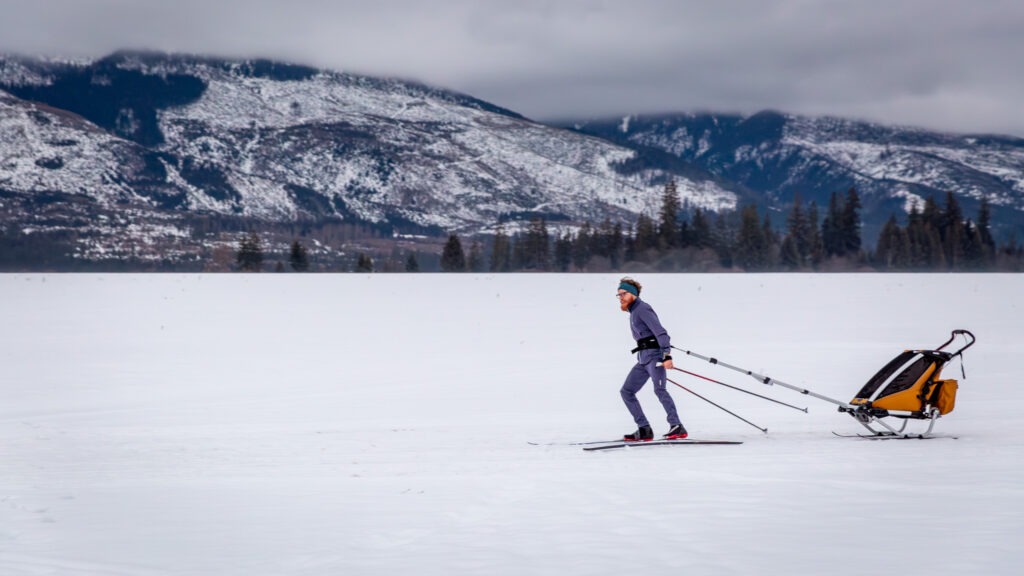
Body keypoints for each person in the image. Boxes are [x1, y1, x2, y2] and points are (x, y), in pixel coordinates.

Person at [616, 277, 687, 441]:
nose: (620, 298)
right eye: (618, 295)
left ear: (633, 294)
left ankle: (677, 426)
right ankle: (644, 429)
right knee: (626, 391)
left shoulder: (643, 309)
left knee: (659, 390)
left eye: (623, 294)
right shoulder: (633, 311)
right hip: (643, 359)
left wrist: (666, 356)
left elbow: (661, 333)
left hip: (656, 357)